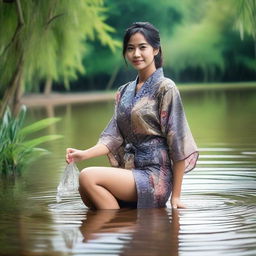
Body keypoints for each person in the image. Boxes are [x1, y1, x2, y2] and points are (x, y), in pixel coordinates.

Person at [66, 22, 199, 210]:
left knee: (88, 177)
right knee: (87, 191)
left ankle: (122, 225)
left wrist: (175, 197)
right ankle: (125, 227)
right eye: (130, 49)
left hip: (154, 176)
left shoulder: (166, 87)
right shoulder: (123, 91)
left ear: (155, 50)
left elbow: (177, 143)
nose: (136, 54)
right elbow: (112, 138)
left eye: (142, 47)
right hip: (130, 173)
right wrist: (83, 154)